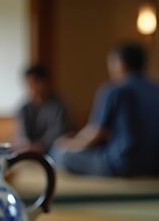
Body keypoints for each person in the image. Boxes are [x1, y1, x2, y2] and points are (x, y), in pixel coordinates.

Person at [52, 42, 159, 176]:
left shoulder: (115, 89)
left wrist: (70, 145)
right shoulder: (156, 89)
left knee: (59, 153)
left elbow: (96, 133)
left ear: (120, 63)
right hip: (155, 165)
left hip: (123, 164)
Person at [14, 65, 70, 154]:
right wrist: (27, 144)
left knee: (62, 150)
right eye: (29, 84)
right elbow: (22, 133)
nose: (32, 87)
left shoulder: (58, 106)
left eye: (35, 82)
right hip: (28, 148)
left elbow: (59, 131)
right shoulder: (24, 108)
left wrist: (40, 145)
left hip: (51, 148)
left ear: (45, 82)